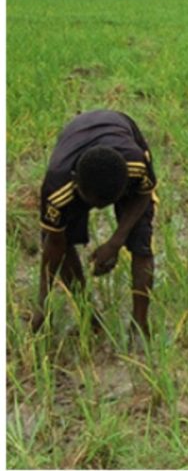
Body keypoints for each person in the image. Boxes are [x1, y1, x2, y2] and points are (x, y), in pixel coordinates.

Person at [34, 110, 158, 338]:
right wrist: (43, 302)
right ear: (77, 187)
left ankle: (140, 327)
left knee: (142, 243)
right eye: (95, 203)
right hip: (75, 139)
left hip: (120, 127)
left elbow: (143, 194)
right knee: (66, 239)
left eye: (108, 203)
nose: (101, 209)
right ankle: (88, 315)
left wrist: (115, 241)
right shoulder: (57, 188)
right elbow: (54, 245)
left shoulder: (136, 163)